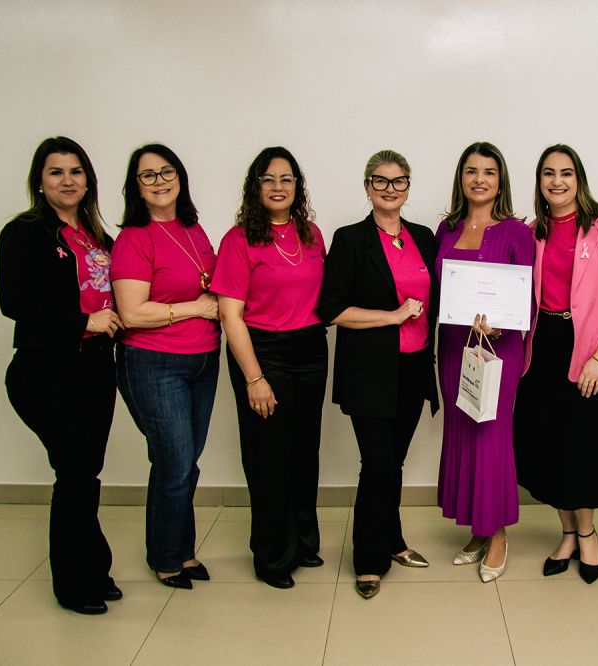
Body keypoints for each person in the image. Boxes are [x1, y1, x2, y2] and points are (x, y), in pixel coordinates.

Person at [0, 136, 121, 615]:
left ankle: (94, 569)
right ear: (40, 181)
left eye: (76, 171)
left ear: (88, 179)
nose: (67, 180)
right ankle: (73, 585)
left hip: (95, 368)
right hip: (45, 370)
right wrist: (84, 321)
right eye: (56, 172)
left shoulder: (98, 236)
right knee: (74, 472)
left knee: (85, 473)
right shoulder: (25, 232)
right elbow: (15, 301)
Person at [513, 144, 598, 583]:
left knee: (582, 448)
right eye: (548, 173)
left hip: (591, 348)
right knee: (550, 444)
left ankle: (588, 535)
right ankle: (566, 534)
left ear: (579, 178)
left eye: (566, 173)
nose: (557, 181)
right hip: (544, 346)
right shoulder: (533, 230)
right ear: (539, 181)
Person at [318, 150, 439, 599]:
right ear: (367, 186)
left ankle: (393, 540)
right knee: (378, 464)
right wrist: (392, 317)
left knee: (394, 462)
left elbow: (443, 296)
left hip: (414, 366)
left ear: (408, 186)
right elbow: (332, 309)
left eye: (399, 180)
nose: (390, 189)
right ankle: (369, 559)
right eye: (381, 181)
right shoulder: (350, 239)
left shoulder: (424, 237)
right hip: (370, 372)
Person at [214, 147, 328, 590]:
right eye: (268, 179)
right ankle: (272, 557)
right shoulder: (238, 240)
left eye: (286, 179)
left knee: (304, 451)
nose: (278, 187)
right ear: (255, 187)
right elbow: (230, 316)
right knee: (269, 457)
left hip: (311, 350)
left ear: (297, 186)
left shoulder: (311, 234)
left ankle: (303, 542)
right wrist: (254, 378)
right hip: (263, 352)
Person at [112, 144, 220, 589]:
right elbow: (132, 313)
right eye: (148, 175)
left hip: (203, 361)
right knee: (174, 464)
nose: (159, 181)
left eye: (167, 171)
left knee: (186, 463)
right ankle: (165, 558)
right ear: (136, 187)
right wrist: (196, 308)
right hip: (155, 363)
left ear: (180, 177)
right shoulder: (134, 238)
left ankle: (183, 550)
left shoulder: (194, 229)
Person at [435, 141, 535, 583]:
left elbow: (526, 299)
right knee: (462, 432)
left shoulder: (516, 232)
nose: (480, 179)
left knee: (491, 437)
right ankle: (478, 527)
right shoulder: (446, 228)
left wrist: (499, 326)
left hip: (497, 349)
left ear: (501, 180)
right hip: (454, 347)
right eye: (472, 171)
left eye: (489, 172)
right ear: (461, 178)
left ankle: (498, 534)